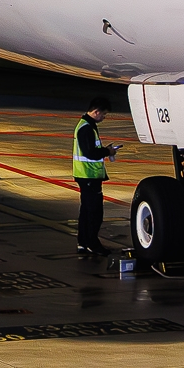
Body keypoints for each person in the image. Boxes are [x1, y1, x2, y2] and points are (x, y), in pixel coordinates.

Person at [73, 100, 120, 255]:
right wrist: (108, 152)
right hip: (89, 176)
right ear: (96, 111)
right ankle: (92, 243)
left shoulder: (85, 125)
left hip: (85, 175)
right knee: (94, 212)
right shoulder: (86, 128)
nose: (104, 117)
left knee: (86, 211)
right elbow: (90, 153)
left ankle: (83, 242)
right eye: (104, 114)